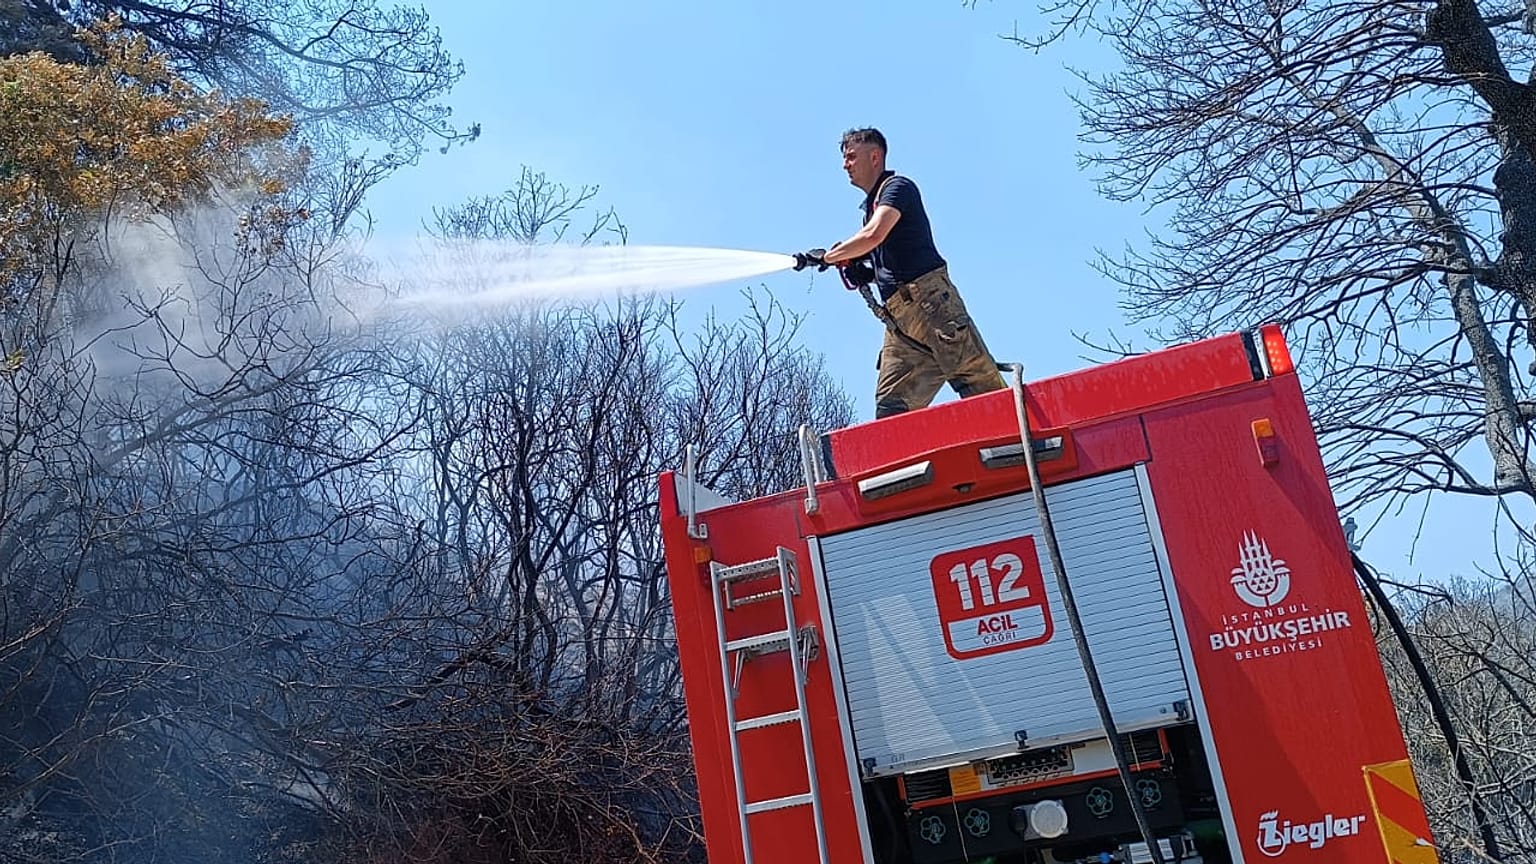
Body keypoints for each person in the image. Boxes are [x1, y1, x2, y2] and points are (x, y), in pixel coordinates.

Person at [800, 128, 1005, 418]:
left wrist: (830, 257)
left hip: (933, 307)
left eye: (851, 157)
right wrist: (865, 272)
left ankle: (1020, 444)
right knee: (892, 409)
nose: (845, 165)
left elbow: (874, 235)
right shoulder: (869, 210)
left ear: (875, 156)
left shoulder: (898, 188)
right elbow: (885, 253)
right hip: (902, 325)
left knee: (979, 386)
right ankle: (905, 461)